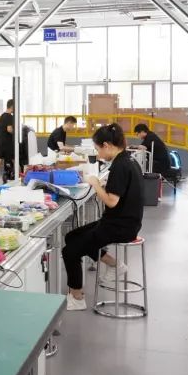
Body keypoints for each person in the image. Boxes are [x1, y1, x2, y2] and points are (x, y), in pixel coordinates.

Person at [61, 123, 143, 311]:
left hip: (119, 227)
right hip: (124, 222)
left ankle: (77, 297)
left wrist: (96, 184)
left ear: (106, 145)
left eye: (98, 149)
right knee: (71, 236)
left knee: (69, 251)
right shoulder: (128, 160)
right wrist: (105, 185)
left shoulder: (120, 166)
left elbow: (112, 202)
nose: (98, 154)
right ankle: (114, 264)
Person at [0, 100, 15, 177]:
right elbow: (9, 129)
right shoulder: (9, 116)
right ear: (12, 106)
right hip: (7, 143)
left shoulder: (2, 116)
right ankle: (9, 176)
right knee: (8, 160)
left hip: (1, 141)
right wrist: (17, 133)